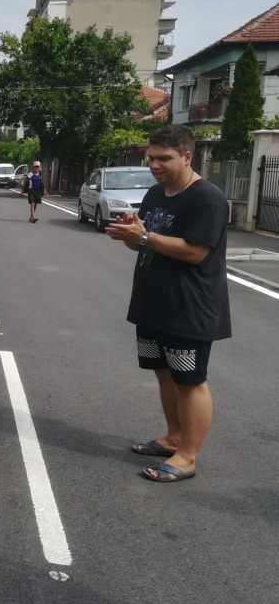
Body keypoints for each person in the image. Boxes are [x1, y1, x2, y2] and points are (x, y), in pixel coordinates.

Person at [105, 125, 230, 483]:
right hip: (153, 305)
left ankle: (187, 457)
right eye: (151, 158)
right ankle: (173, 438)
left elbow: (195, 252)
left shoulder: (206, 198)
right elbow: (144, 243)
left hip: (188, 308)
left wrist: (144, 235)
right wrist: (131, 235)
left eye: (164, 158)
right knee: (165, 374)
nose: (155, 165)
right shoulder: (157, 193)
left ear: (187, 157)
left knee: (191, 381)